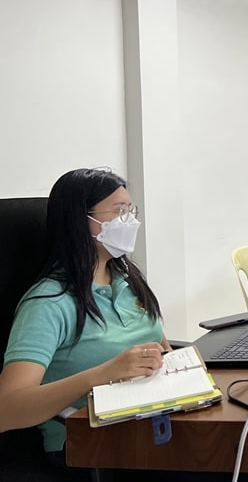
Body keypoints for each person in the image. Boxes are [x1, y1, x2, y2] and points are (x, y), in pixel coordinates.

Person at [0, 169, 168, 472]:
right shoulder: (49, 303)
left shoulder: (128, 279)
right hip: (89, 444)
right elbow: (7, 408)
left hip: (150, 420)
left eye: (130, 211)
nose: (128, 222)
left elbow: (160, 346)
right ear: (81, 221)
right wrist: (101, 374)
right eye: (118, 212)